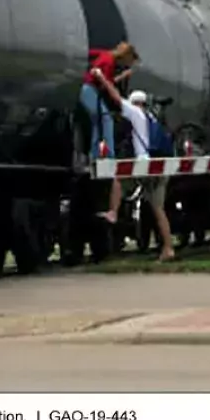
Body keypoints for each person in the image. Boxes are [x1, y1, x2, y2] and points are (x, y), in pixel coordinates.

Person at [89, 69, 176, 262]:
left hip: (145, 165)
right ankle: (168, 247)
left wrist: (102, 78)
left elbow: (115, 97)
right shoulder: (152, 117)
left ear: (136, 103)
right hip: (158, 165)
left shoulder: (135, 113)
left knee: (118, 179)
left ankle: (113, 212)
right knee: (158, 208)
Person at [79, 41, 139, 221]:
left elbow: (90, 53)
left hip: (89, 89)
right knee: (105, 118)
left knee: (99, 121)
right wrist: (123, 76)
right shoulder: (109, 61)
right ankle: (108, 154)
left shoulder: (105, 55)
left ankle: (95, 152)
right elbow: (105, 83)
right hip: (89, 90)